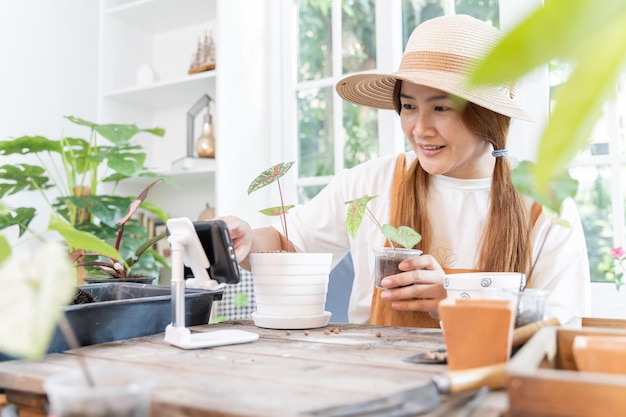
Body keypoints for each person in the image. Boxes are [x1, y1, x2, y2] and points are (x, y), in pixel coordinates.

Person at [223, 14, 591, 327]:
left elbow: (558, 328)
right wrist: (243, 241)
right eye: (409, 105)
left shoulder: (546, 207)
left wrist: (453, 300)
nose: (419, 128)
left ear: (488, 114)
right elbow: (291, 244)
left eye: (442, 108)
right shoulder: (370, 183)